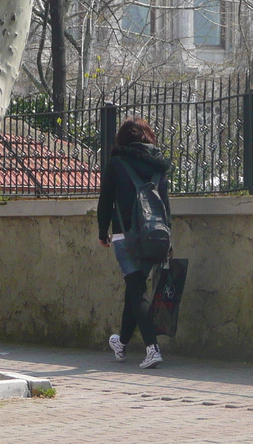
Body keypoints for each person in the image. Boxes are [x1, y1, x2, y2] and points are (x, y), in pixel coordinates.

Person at [97, 117, 172, 369]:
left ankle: (152, 348)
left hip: (124, 234)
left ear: (122, 139)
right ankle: (121, 342)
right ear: (148, 136)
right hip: (154, 235)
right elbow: (165, 205)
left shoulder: (117, 163)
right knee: (135, 289)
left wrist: (101, 231)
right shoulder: (158, 166)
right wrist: (167, 236)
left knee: (137, 290)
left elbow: (105, 200)